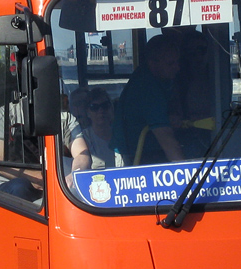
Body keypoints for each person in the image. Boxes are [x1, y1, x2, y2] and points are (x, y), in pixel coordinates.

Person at [112, 34, 184, 165]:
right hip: (135, 154)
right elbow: (166, 140)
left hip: (150, 149)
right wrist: (191, 176)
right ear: (153, 63)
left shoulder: (163, 79)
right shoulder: (147, 88)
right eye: (170, 63)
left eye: (178, 62)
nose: (177, 68)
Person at [79, 87, 122, 169]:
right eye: (94, 107)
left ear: (111, 108)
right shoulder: (83, 139)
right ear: (87, 112)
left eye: (105, 106)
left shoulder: (121, 134)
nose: (101, 110)